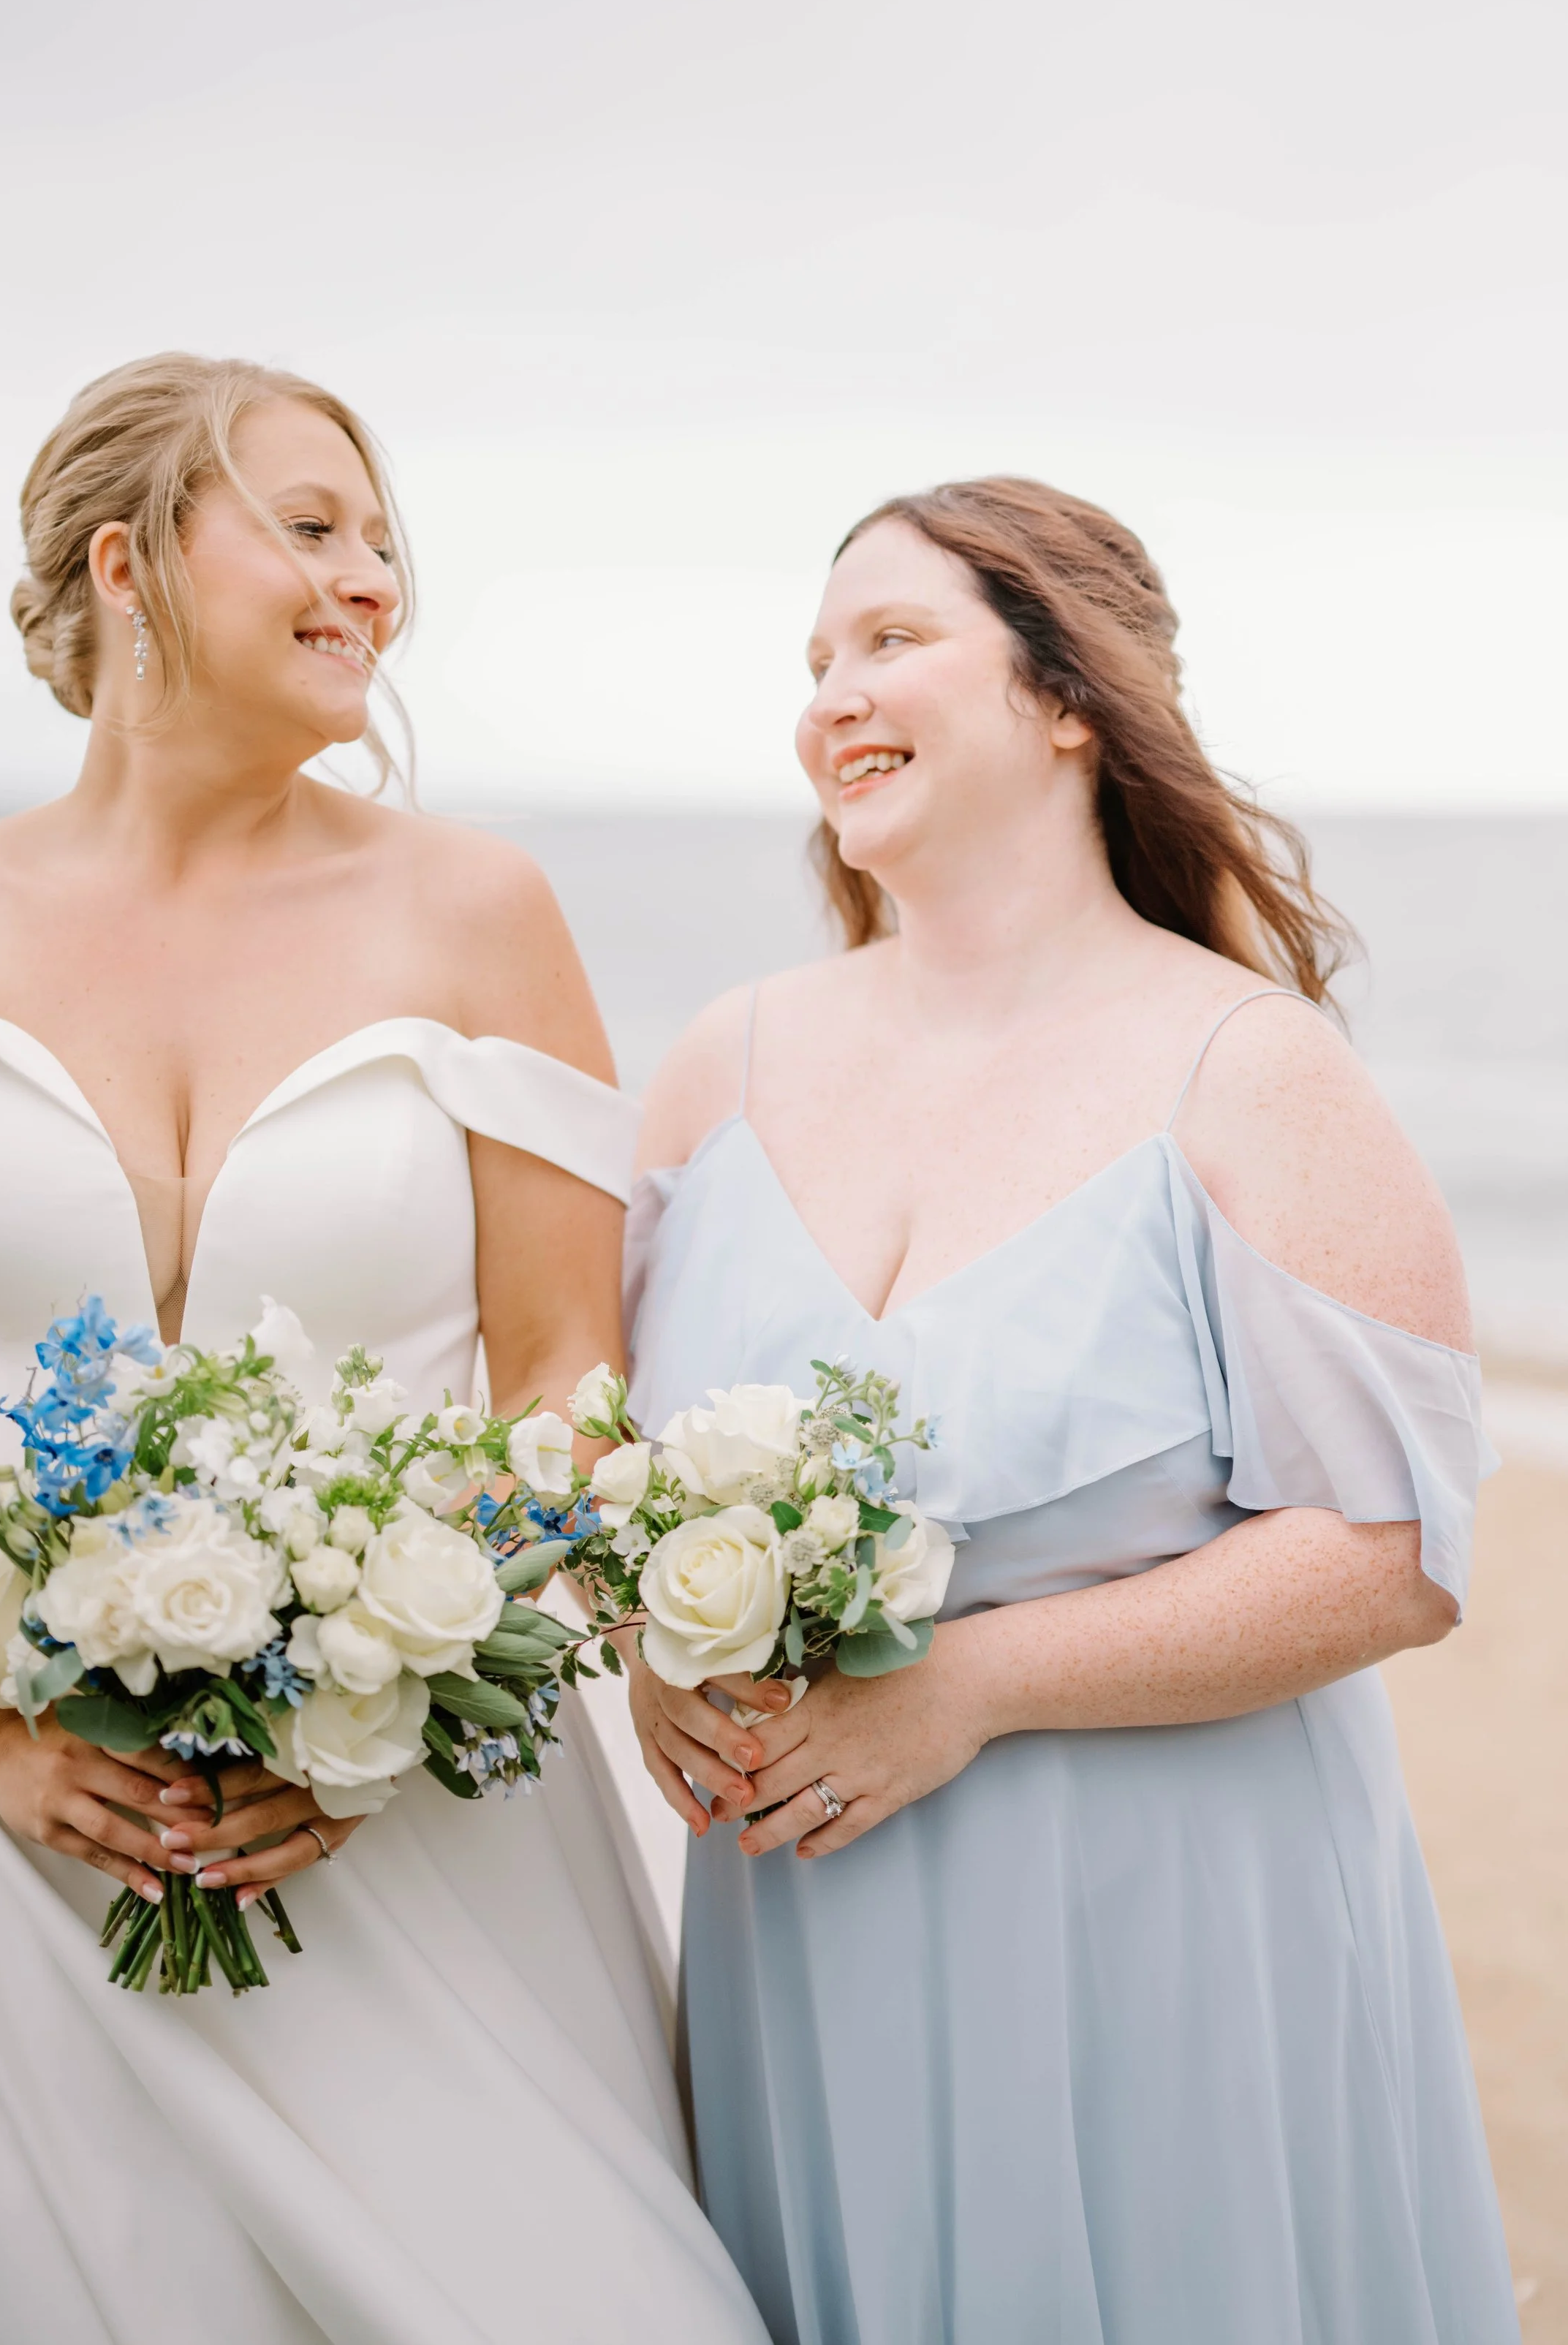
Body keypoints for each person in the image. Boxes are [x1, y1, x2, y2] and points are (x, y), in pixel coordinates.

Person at [0, 354, 768, 2345]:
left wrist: (386, 1649)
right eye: (309, 527)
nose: (369, 579)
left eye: (384, 543)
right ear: (128, 563)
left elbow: (568, 1367)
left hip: (405, 1809)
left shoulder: (482, 909)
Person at [624, 479, 1516, 2344]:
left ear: (1064, 701)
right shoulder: (724, 1063)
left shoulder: (1245, 1070)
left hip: (1155, 1931)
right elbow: (610, 1458)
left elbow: (1390, 1556)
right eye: (811, 662)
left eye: (888, 639)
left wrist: (970, 1685)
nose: (828, 697)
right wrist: (647, 1642)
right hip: (806, 1939)